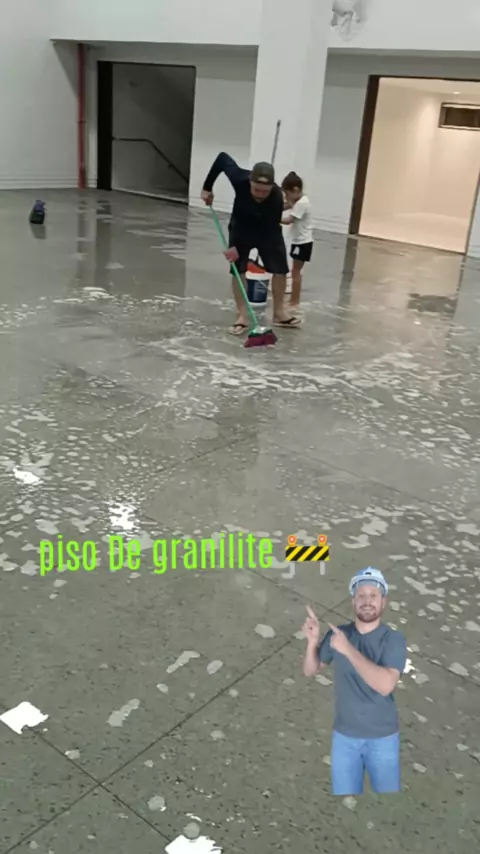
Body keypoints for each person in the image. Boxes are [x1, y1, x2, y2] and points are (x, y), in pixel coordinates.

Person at [302, 567, 407, 796]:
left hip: (383, 738)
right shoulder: (338, 634)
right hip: (344, 737)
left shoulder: (393, 639)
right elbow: (311, 669)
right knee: (345, 798)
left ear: (383, 602)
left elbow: (385, 685)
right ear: (353, 601)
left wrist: (347, 649)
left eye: (373, 595)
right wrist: (312, 642)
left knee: (387, 799)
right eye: (361, 595)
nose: (367, 601)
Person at [201, 153, 301, 335]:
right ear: (250, 182)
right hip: (240, 230)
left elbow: (273, 229)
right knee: (237, 270)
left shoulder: (276, 197)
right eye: (257, 190)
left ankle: (279, 312)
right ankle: (242, 315)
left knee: (280, 269)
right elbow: (222, 158)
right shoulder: (239, 178)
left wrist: (271, 252)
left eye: (265, 191)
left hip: (267, 230)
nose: (261, 195)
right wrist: (207, 188)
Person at [281, 172, 313, 309]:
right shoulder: (298, 201)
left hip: (303, 242)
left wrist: (271, 218)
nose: (286, 197)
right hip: (299, 241)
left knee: (295, 272)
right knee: (295, 271)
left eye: (287, 193)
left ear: (295, 190)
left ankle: (294, 301)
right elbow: (286, 205)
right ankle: (294, 299)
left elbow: (289, 220)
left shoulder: (302, 203)